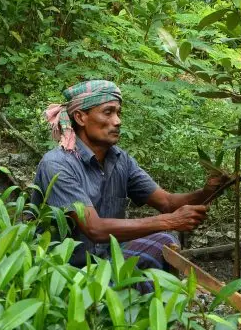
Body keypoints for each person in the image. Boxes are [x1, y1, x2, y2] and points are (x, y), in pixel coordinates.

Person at [31, 80, 227, 282]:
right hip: (63, 273)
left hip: (106, 262)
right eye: (108, 112)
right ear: (81, 117)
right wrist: (169, 221)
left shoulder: (120, 160)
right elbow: (94, 229)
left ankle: (139, 303)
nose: (117, 121)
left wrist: (209, 191)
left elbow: (167, 203)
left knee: (164, 243)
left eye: (118, 113)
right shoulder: (57, 164)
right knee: (161, 242)